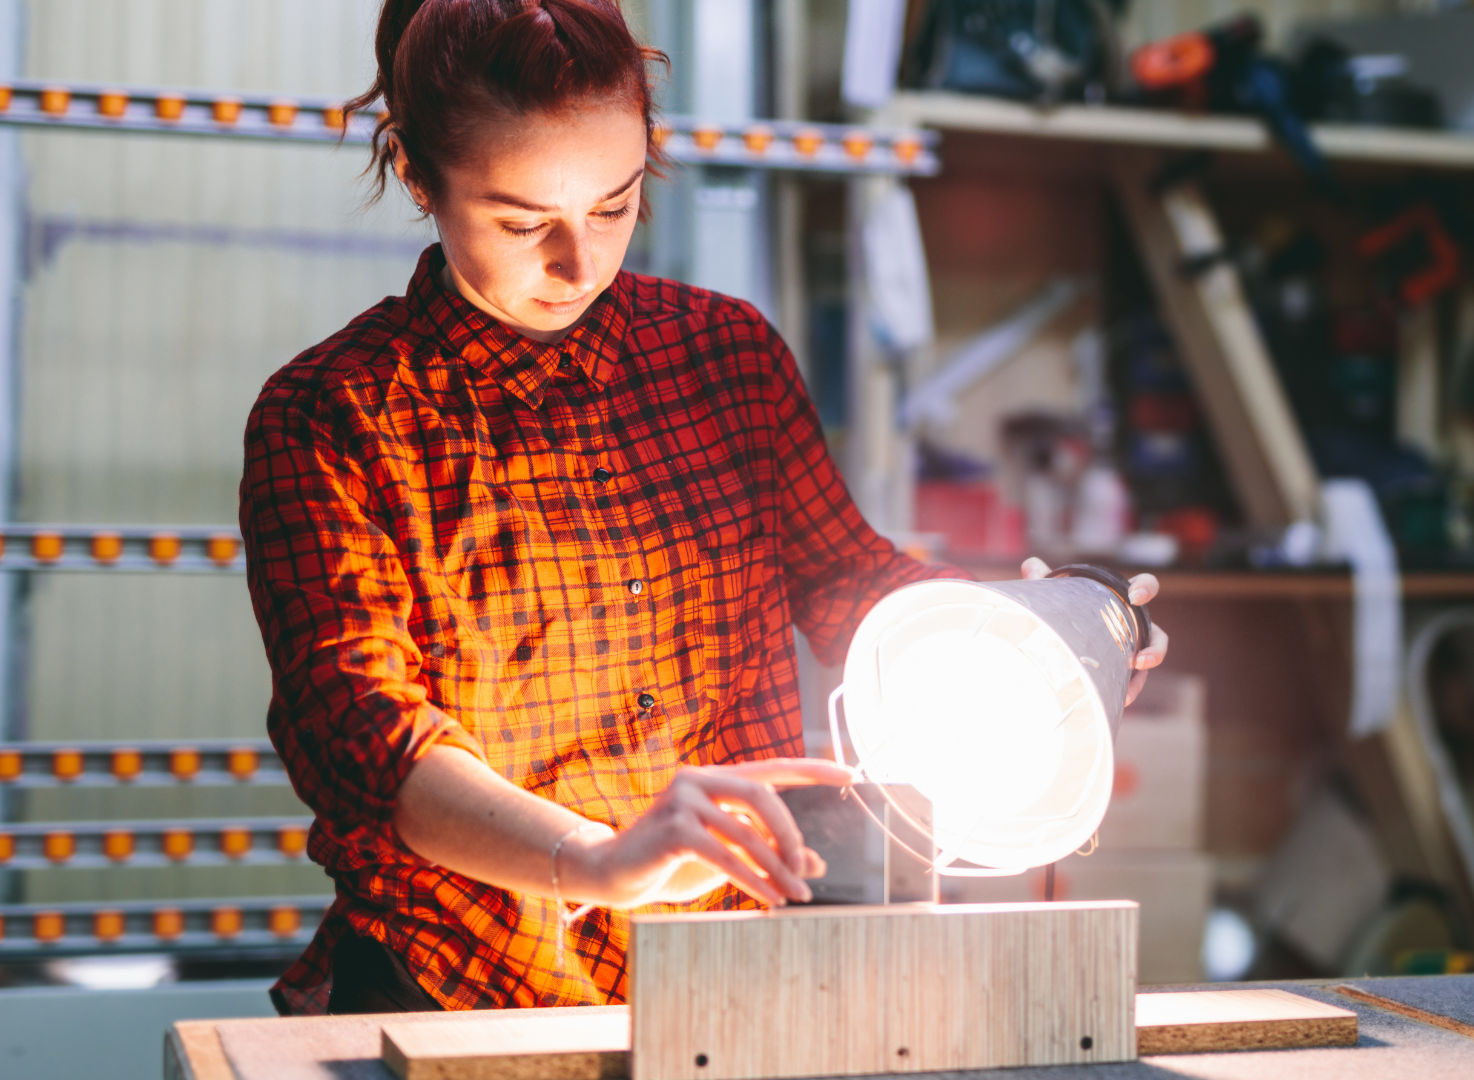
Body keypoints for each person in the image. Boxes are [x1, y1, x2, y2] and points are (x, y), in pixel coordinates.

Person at [241, 0, 1169, 1016]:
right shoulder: (332, 415)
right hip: (459, 983)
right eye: (520, 222)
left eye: (614, 204)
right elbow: (363, 731)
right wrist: (592, 860)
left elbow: (847, 580)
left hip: (727, 977)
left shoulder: (725, 356)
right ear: (418, 177)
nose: (578, 263)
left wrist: (1025, 639)